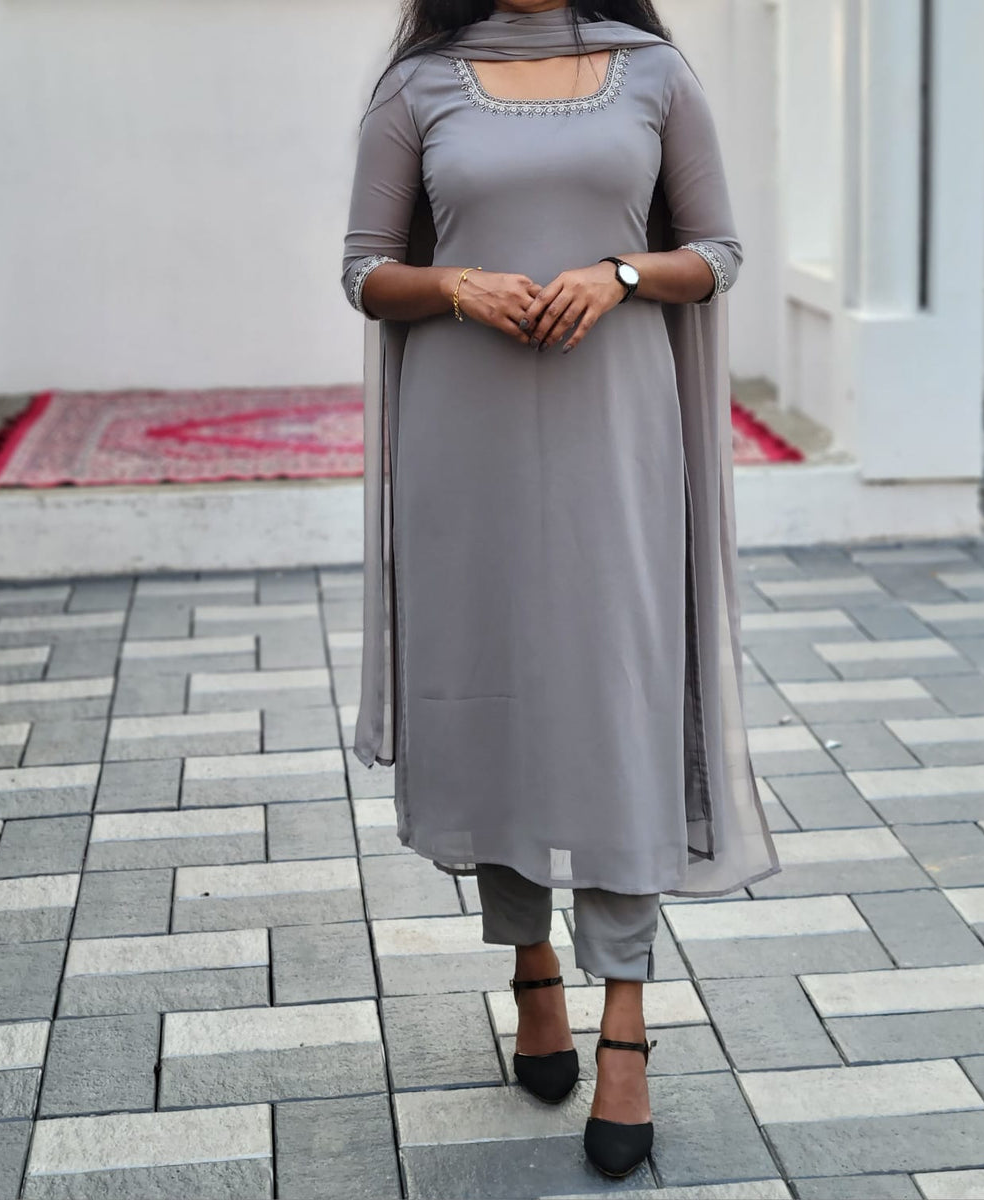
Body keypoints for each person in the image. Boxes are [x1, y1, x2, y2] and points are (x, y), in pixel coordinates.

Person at [341, 0, 780, 1178]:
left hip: (617, 438)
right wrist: (458, 287)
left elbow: (718, 253)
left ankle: (626, 1021)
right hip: (465, 444)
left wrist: (621, 272)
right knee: (496, 701)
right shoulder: (421, 84)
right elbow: (367, 271)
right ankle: (531, 965)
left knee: (620, 706)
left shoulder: (655, 73)